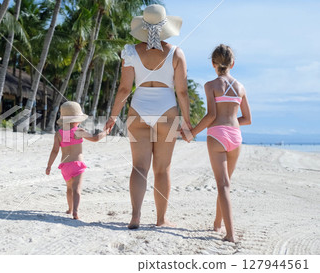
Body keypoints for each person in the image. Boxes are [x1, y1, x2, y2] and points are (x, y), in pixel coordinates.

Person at [104, 4, 192, 229]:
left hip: (138, 111)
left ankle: (135, 216)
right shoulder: (176, 53)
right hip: (167, 112)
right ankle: (161, 219)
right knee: (162, 169)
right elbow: (182, 91)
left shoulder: (130, 51)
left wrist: (113, 117)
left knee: (138, 167)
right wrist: (188, 122)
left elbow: (124, 90)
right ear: (165, 27)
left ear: (143, 26)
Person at [186, 44, 252, 242]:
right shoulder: (240, 87)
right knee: (226, 184)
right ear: (233, 63)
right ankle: (217, 225)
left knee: (222, 185)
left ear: (213, 64)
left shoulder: (211, 86)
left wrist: (192, 133)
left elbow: (211, 115)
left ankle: (230, 234)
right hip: (235, 136)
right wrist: (231, 123)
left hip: (217, 135)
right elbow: (247, 118)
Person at [46, 101, 106, 220]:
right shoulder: (79, 131)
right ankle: (75, 212)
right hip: (77, 165)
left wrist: (49, 166)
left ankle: (69, 208)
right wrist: (105, 132)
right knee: (77, 189)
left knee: (69, 188)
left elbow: (54, 151)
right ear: (77, 119)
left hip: (65, 166)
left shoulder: (59, 134)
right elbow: (95, 138)